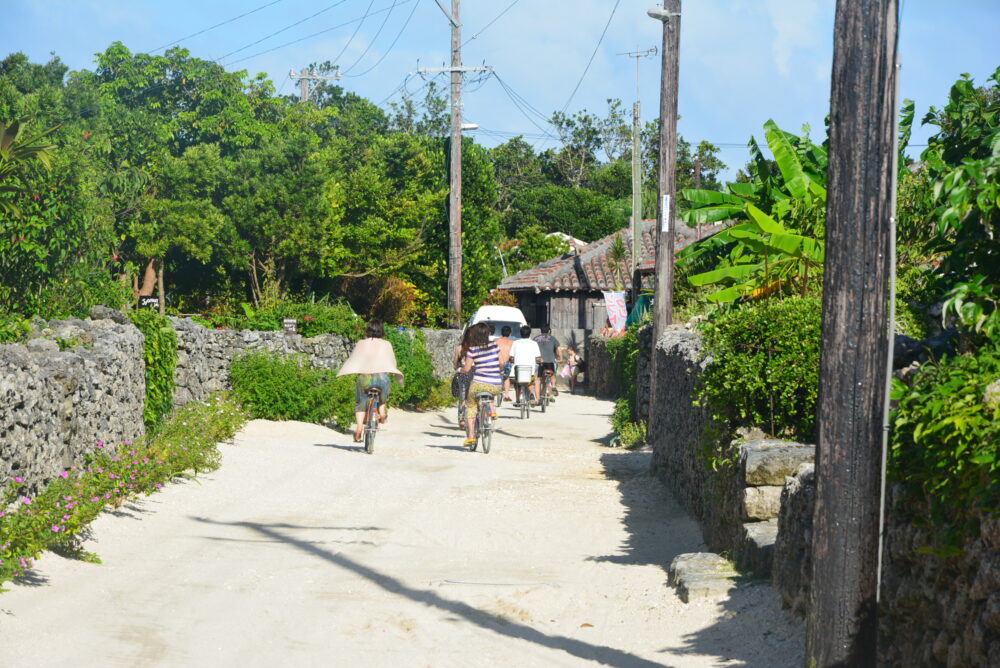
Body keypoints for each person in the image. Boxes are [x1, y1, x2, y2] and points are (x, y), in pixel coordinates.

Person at [337, 319, 404, 443]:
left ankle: (358, 429)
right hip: (382, 378)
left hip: (365, 379)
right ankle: (382, 412)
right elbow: (392, 361)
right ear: (381, 331)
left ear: (368, 330)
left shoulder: (361, 343)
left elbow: (354, 359)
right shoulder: (387, 344)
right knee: (384, 394)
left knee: (360, 404)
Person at [460, 322, 502, 447]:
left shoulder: (472, 350)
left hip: (479, 383)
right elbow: (502, 363)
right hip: (495, 385)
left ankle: (471, 436)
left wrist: (461, 370)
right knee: (491, 394)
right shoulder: (495, 346)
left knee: (471, 406)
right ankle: (491, 409)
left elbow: (467, 369)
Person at [509, 325, 542, 404]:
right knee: (530, 380)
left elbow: (511, 356)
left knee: (518, 382)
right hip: (530, 369)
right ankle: (532, 393)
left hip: (518, 369)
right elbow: (537, 357)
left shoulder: (515, 343)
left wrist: (513, 359)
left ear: (520, 334)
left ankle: (517, 399)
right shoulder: (534, 343)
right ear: (529, 334)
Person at [452, 326, 476, 428]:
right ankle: (474, 418)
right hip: (474, 373)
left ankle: (462, 419)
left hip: (462, 374)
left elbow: (455, 363)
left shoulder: (459, 348)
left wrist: (458, 368)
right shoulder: (476, 348)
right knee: (473, 398)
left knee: (462, 398)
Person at [533, 325, 563, 399]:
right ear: (549, 331)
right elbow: (559, 349)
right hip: (550, 361)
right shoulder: (552, 338)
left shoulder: (535, 339)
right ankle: (553, 386)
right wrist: (561, 359)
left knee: (539, 379)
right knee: (552, 374)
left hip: (539, 362)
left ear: (541, 330)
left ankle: (538, 397)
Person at [495, 325, 515, 401]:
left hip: (497, 362)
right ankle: (506, 395)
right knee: (506, 378)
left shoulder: (496, 340)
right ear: (510, 333)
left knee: (495, 376)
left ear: (501, 332)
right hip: (507, 363)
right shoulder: (512, 342)